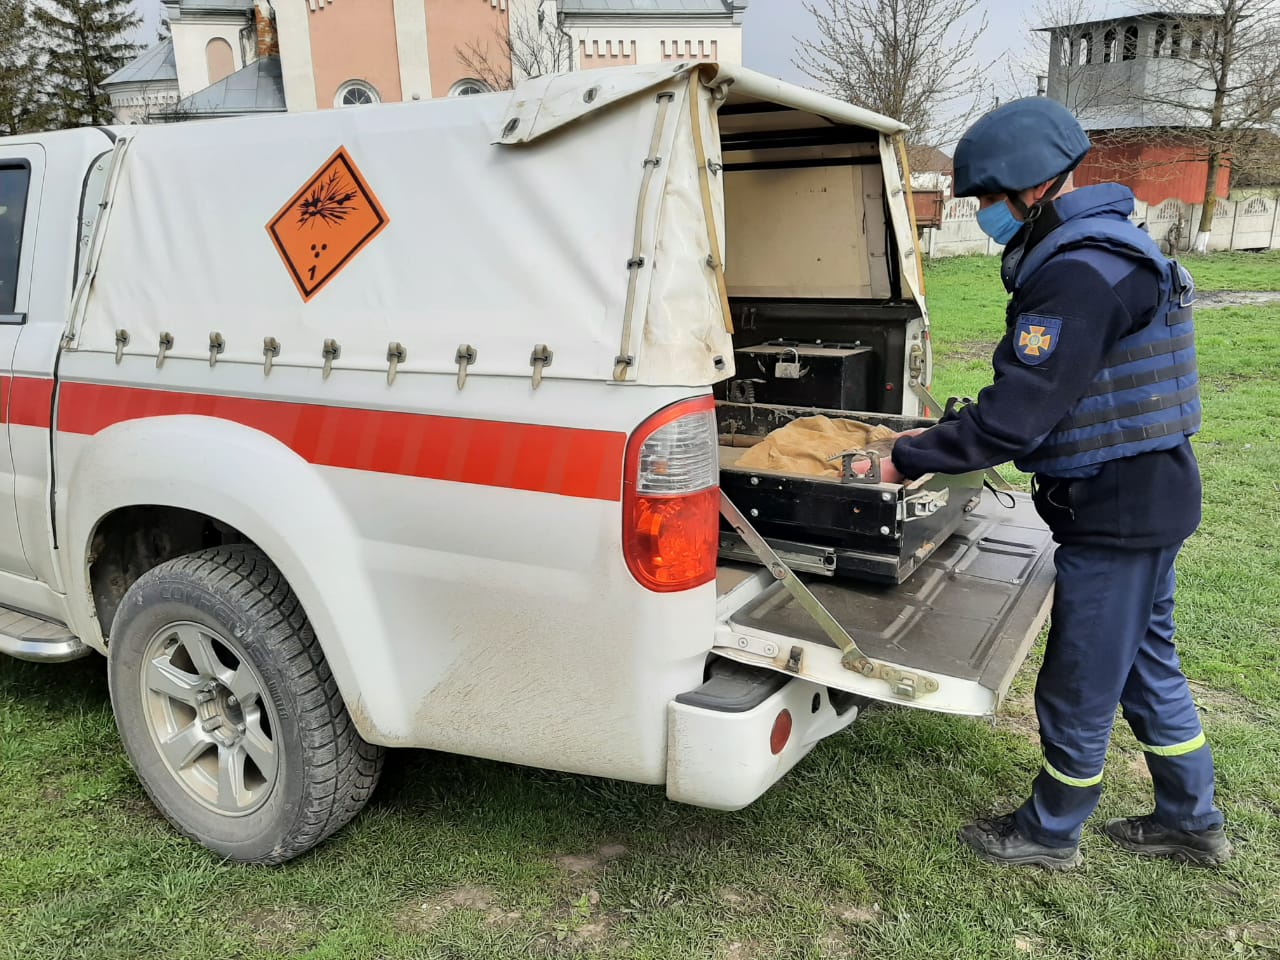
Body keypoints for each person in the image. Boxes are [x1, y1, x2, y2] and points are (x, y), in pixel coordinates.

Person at [877, 98, 1231, 870]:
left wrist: (907, 456)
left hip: (1118, 509)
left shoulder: (1078, 275)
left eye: (986, 200)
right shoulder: (1108, 249)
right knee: (1145, 663)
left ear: (1031, 189)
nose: (982, 215)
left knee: (1078, 681)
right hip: (1147, 495)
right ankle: (1190, 819)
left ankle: (1048, 833)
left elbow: (1015, 421)